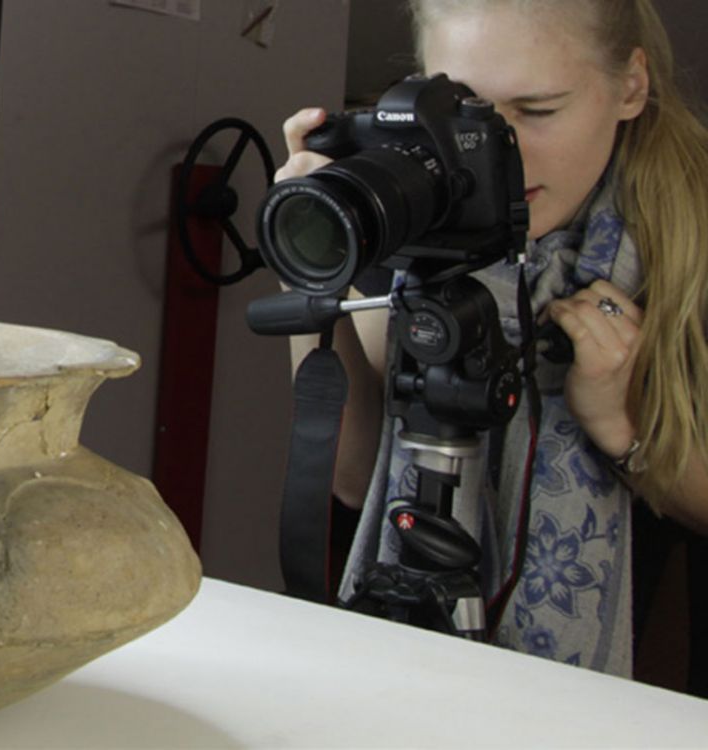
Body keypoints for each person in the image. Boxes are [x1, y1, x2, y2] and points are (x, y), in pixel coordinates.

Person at [276, 0, 708, 677]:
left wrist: (625, 432)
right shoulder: (421, 208)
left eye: (538, 111)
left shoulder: (688, 234)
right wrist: (316, 256)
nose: (497, 151)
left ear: (630, 87)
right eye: (467, 112)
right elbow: (357, 480)